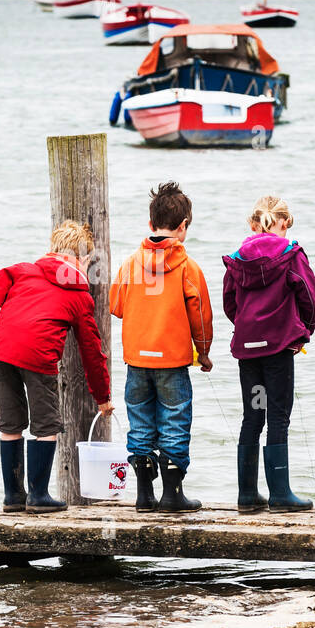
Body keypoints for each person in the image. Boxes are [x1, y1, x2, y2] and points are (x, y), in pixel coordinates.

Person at [0, 221, 114, 514]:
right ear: (81, 259)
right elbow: (92, 351)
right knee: (46, 426)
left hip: (1, 352)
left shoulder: (18, 272)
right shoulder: (79, 296)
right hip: (38, 357)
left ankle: (13, 497)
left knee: (10, 424)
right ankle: (39, 496)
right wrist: (102, 397)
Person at [110, 181, 214, 514]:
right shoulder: (187, 267)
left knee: (140, 423)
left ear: (151, 224)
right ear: (183, 227)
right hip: (172, 361)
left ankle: (144, 495)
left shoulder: (130, 264)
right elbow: (200, 315)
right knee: (174, 422)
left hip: (137, 360)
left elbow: (116, 305)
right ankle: (172, 495)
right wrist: (204, 350)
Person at [222, 196, 315, 513]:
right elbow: (310, 296)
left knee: (253, 415)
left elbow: (229, 302)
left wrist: (246, 328)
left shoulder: (237, 260)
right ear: (285, 222)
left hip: (248, 351)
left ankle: (247, 495)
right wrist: (303, 331)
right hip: (279, 349)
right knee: (278, 416)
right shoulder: (291, 255)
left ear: (253, 224)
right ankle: (280, 493)